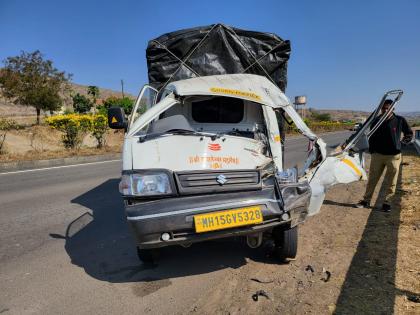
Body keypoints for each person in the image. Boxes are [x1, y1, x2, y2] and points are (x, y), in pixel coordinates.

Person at [355, 99, 413, 211]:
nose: (385, 110)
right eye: (383, 108)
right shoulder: (376, 120)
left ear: (393, 108)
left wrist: (402, 144)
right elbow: (371, 136)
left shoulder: (400, 120)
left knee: (392, 180)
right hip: (377, 155)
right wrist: (371, 150)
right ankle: (366, 200)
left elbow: (409, 134)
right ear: (381, 109)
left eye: (388, 108)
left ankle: (387, 203)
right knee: (372, 179)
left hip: (393, 156)